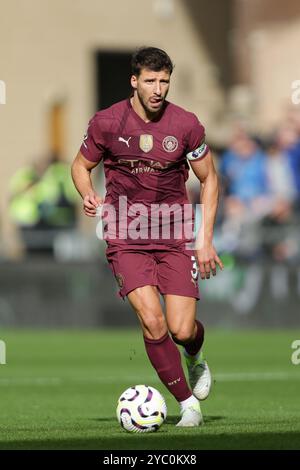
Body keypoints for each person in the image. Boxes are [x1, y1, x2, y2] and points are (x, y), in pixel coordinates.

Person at [71, 47, 223, 427]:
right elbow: (80, 165)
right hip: (125, 235)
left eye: (165, 81)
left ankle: (194, 355)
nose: (158, 89)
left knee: (182, 329)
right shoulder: (107, 122)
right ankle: (188, 405)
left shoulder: (185, 124)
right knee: (153, 323)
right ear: (134, 81)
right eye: (151, 81)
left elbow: (209, 178)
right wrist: (87, 191)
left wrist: (204, 239)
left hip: (174, 235)